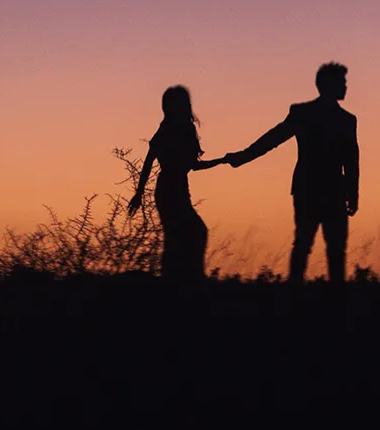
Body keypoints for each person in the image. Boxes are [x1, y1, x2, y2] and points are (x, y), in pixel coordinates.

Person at [226, 62, 359, 283]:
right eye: (342, 82)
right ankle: (304, 299)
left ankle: (320, 300)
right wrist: (243, 156)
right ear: (327, 85)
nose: (346, 87)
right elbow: (274, 138)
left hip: (324, 191)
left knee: (319, 248)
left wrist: (352, 194)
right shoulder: (313, 115)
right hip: (317, 191)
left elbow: (351, 159)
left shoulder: (340, 119)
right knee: (313, 246)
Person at [127, 85, 225, 282]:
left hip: (175, 188)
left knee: (183, 236)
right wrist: (138, 194)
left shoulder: (179, 129)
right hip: (170, 189)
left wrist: (222, 161)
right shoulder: (170, 129)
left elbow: (188, 165)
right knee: (187, 234)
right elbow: (151, 161)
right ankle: (184, 282)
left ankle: (181, 280)